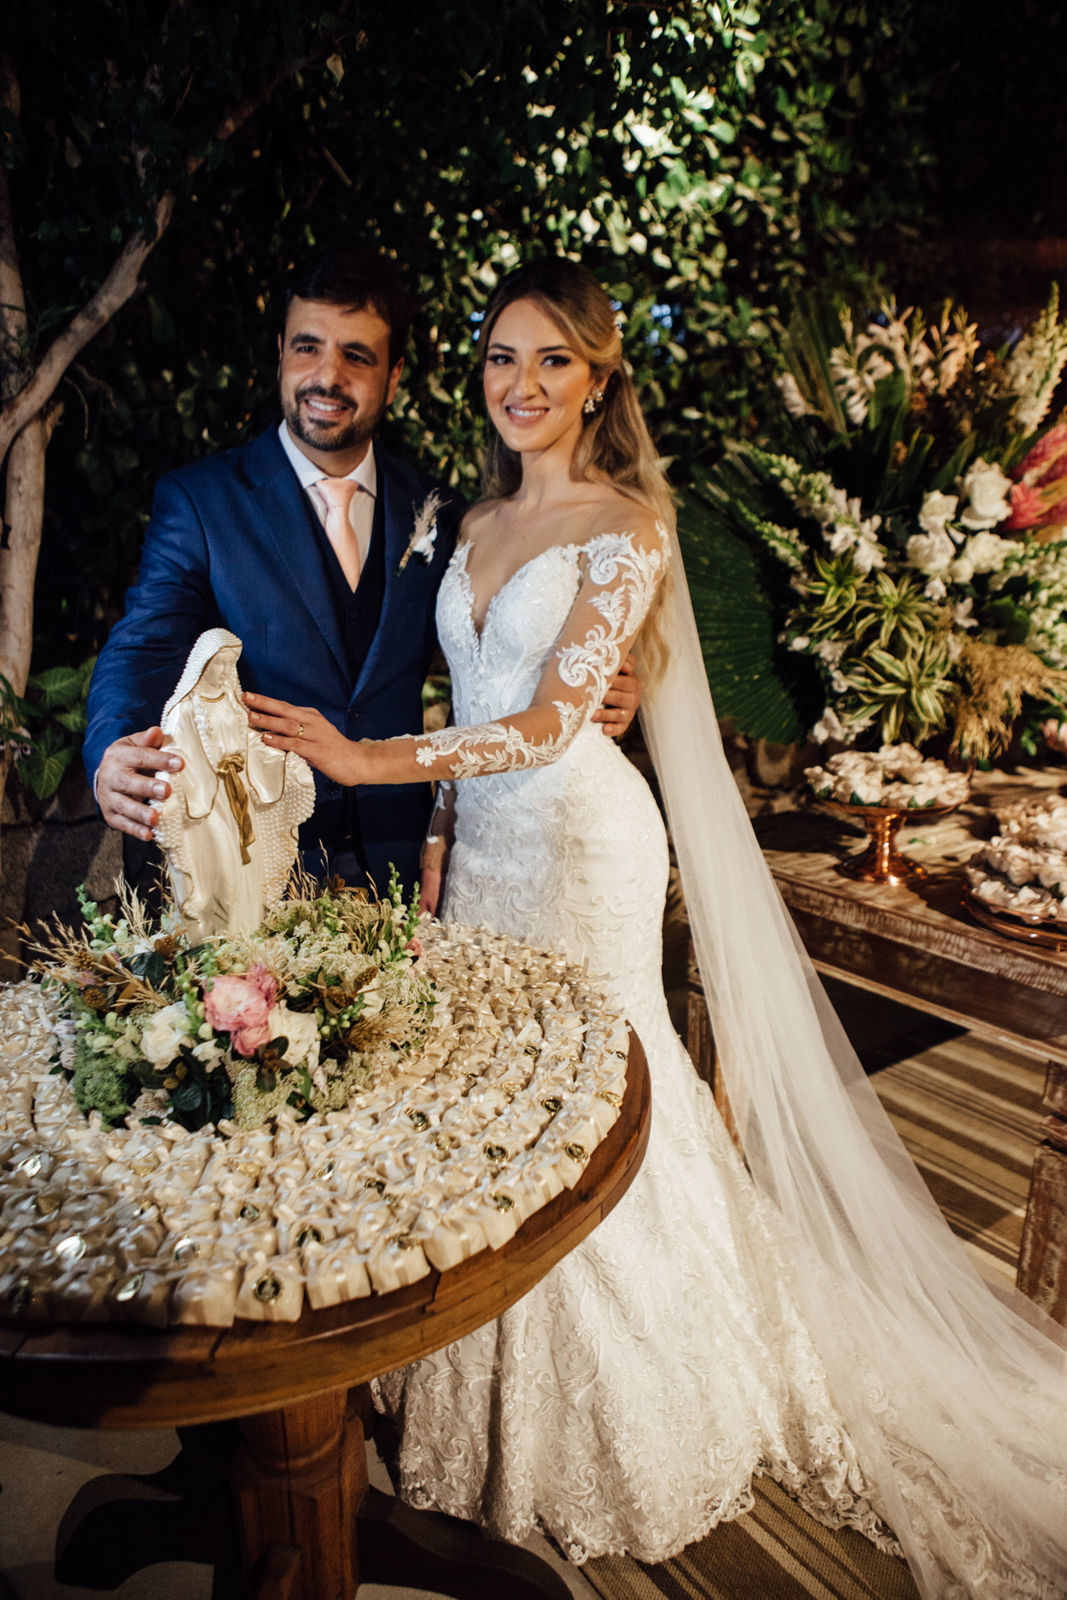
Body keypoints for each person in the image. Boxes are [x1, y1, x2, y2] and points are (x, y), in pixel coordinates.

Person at [247, 257, 1067, 1600]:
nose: (521, 386)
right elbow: (471, 690)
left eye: (550, 362)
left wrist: (355, 763)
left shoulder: (626, 527)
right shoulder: (466, 524)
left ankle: (641, 1402)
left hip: (577, 844)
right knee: (488, 1107)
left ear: (596, 380)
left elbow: (547, 725)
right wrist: (440, 852)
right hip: (486, 851)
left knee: (595, 1100)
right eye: (501, 359)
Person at [82, 244, 639, 900]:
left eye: (356, 355)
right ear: (280, 354)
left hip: (405, 860)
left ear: (393, 376)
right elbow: (145, 645)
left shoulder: (441, 512)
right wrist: (113, 751)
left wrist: (599, 678)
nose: (326, 376)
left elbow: (488, 648)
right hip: (247, 854)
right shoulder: (201, 501)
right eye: (307, 347)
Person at [154, 629, 315, 940]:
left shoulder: (231, 701)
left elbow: (249, 741)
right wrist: (174, 786)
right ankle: (213, 942)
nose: (226, 672)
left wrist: (283, 761)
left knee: (248, 868)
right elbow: (174, 753)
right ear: (202, 664)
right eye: (219, 664)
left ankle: (246, 940)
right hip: (207, 804)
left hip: (239, 796)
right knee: (222, 872)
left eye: (231, 665)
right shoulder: (184, 709)